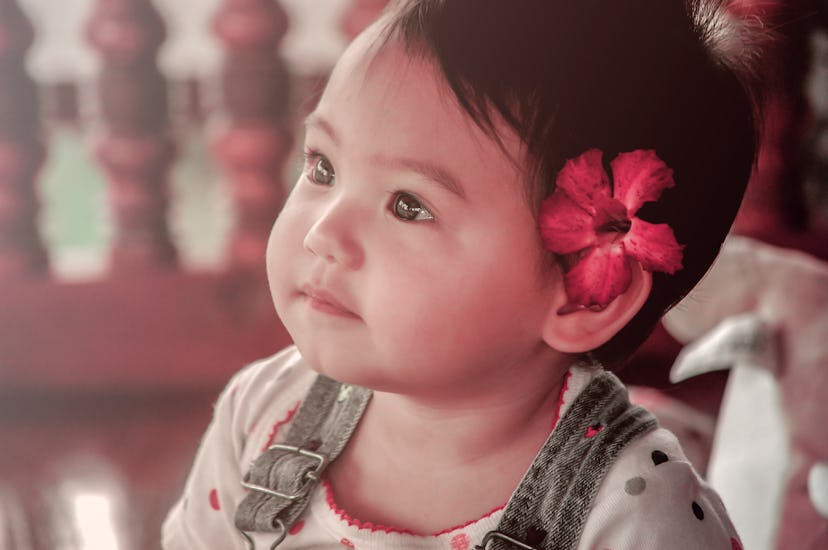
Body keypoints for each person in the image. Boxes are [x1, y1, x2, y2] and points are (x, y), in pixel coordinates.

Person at [163, 0, 763, 548]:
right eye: (323, 166)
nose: (322, 233)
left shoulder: (635, 519)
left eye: (408, 205)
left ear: (585, 296)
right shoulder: (265, 412)